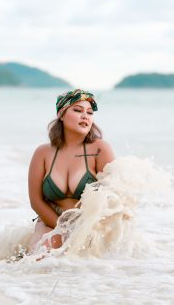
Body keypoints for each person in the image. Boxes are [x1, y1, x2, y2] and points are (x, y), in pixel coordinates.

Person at [27, 89, 115, 253]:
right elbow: (36, 201)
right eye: (77, 110)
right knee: (38, 256)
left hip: (87, 224)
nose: (85, 116)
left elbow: (115, 199)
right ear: (61, 114)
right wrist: (61, 229)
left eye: (89, 112)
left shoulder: (99, 149)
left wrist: (81, 230)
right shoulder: (43, 153)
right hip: (50, 220)